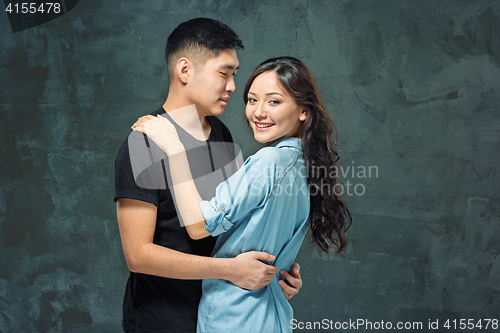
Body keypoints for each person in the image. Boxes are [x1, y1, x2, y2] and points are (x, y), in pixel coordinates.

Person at [132, 56, 352, 333]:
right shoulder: (304, 165)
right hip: (271, 315)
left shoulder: (269, 162)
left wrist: (175, 151)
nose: (258, 112)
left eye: (274, 101)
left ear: (303, 111)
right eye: (252, 100)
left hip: (235, 316)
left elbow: (201, 226)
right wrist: (283, 273)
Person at [114, 18, 302, 333]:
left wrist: (275, 272)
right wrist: (230, 270)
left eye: (234, 76)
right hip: (162, 322)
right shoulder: (143, 144)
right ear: (185, 70)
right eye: (223, 74)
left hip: (221, 317)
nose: (232, 87)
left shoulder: (220, 133)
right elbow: (138, 255)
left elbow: (233, 221)